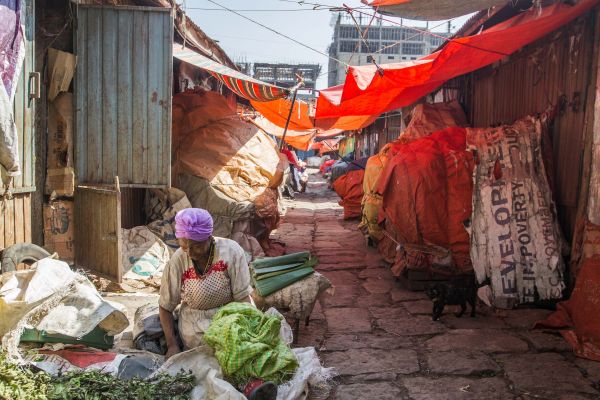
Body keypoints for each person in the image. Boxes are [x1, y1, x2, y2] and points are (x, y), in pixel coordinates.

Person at [158, 208, 277, 399]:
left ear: (209, 237)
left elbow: (243, 298)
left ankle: (251, 384)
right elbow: (165, 306)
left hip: (230, 313)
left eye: (196, 246)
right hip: (195, 322)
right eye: (184, 245)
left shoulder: (231, 251)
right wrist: (172, 344)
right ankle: (240, 388)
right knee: (212, 358)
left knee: (245, 346)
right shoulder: (178, 259)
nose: (190, 252)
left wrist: (250, 328)